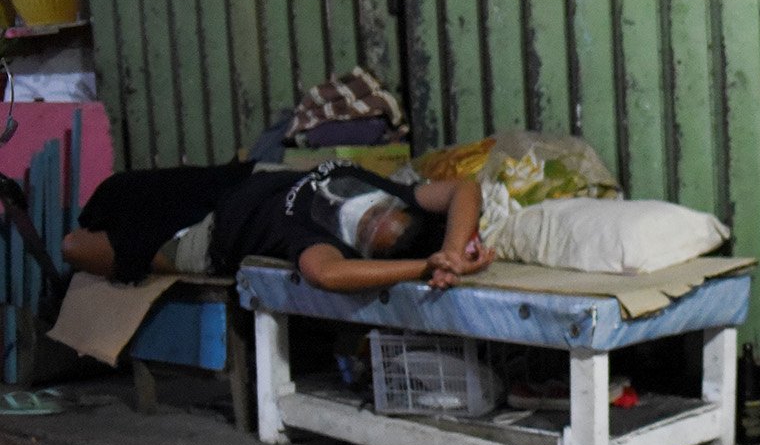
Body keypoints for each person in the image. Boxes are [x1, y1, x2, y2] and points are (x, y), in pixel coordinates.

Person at [64, 160, 495, 292]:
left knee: (75, 247)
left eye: (364, 231)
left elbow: (325, 274)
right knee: (118, 190)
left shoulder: (321, 244)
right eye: (375, 211)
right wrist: (454, 253)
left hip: (212, 235)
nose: (364, 215)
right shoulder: (402, 194)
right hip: (248, 180)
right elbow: (464, 189)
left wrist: (425, 268)